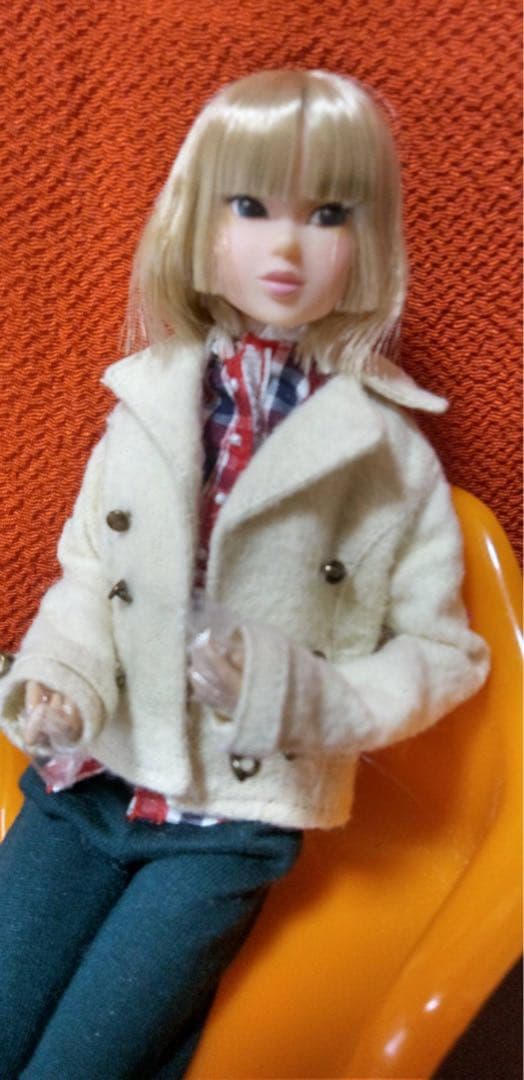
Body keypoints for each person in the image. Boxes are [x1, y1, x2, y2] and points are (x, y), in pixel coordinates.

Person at [0, 69, 489, 1079]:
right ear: (197, 221)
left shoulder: (386, 461)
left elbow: (444, 655)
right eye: (250, 206)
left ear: (367, 239)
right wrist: (62, 678)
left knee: (88, 1061)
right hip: (88, 775)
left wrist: (290, 690)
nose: (286, 246)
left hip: (233, 813)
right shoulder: (142, 405)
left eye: (328, 213)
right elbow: (89, 571)